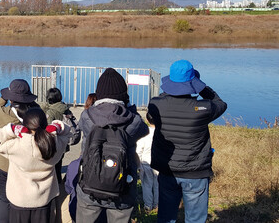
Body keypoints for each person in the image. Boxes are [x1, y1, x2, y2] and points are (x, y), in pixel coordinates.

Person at [148, 60, 227, 223]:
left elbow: (151, 116)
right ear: (193, 83)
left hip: (167, 169)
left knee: (166, 217)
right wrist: (202, 87)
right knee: (196, 219)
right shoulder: (204, 108)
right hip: (196, 172)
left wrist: (171, 90)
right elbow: (221, 103)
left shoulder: (156, 105)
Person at [75, 68, 149, 222]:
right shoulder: (133, 120)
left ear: (99, 93)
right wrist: (129, 109)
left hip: (89, 185)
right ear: (123, 94)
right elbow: (144, 130)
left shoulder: (87, 116)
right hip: (122, 189)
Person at [0, 108, 71, 223]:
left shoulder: (16, 145)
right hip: (44, 200)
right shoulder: (55, 144)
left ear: (25, 125)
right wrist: (55, 127)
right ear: (45, 123)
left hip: (19, 200)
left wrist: (12, 129)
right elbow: (67, 131)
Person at [0, 79, 40, 223]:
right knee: (23, 198)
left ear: (10, 97)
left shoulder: (1, 113)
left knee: (3, 199)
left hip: (3, 162)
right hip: (25, 162)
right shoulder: (35, 114)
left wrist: (3, 98)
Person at [38, 87, 74, 223]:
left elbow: (46, 129)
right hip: (63, 144)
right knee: (58, 167)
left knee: (51, 168)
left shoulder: (51, 112)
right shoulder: (65, 108)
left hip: (52, 145)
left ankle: (53, 194)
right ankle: (59, 190)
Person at [135, 123, 158, 213]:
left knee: (147, 185)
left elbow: (138, 150)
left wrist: (139, 165)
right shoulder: (162, 131)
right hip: (158, 163)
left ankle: (148, 206)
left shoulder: (145, 133)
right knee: (157, 185)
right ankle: (157, 204)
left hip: (146, 163)